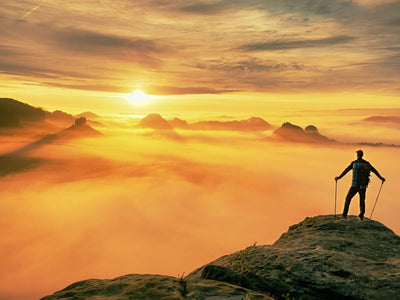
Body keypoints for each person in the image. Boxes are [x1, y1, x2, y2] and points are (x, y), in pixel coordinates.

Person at [335, 150, 385, 220]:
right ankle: (361, 216)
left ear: (357, 155)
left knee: (348, 198)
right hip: (363, 186)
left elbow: (346, 170)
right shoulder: (367, 164)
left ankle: (344, 215)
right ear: (362, 155)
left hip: (355, 185)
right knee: (362, 200)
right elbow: (374, 171)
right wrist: (381, 178)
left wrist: (339, 177)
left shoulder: (354, 163)